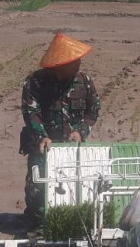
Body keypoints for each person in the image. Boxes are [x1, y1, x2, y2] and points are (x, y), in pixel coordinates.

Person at [20, 32, 101, 227]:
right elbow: (31, 112)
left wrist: (80, 131)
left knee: (73, 187)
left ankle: (67, 224)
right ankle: (36, 227)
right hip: (43, 146)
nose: (78, 64)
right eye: (74, 62)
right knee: (38, 189)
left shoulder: (84, 82)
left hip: (72, 147)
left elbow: (93, 110)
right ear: (60, 64)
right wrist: (41, 136)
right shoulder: (35, 82)